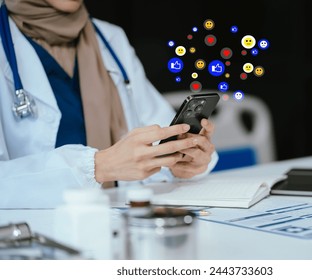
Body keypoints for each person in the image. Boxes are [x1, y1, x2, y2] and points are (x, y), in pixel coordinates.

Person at [0, 0, 218, 208]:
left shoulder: (111, 39)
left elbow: (159, 131)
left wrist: (180, 161)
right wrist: (98, 167)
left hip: (116, 223)